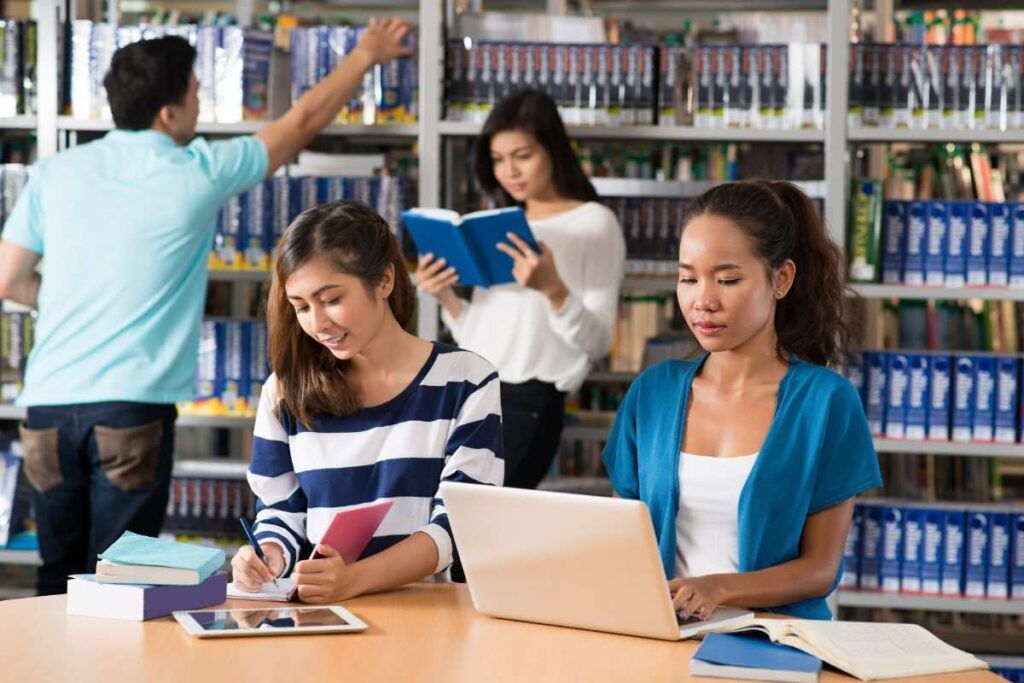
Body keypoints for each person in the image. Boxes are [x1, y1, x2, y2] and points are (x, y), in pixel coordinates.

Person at [0, 19, 411, 595]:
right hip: (129, 406)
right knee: (119, 580)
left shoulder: (52, 173)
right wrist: (366, 53)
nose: (198, 107)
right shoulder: (196, 171)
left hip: (44, 406)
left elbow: (7, 280)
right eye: (195, 94)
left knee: (55, 574)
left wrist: (74, 301)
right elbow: (303, 123)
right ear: (169, 114)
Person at [601, 180, 882, 621]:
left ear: (781, 279)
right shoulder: (652, 393)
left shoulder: (826, 403)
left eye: (727, 279)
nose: (703, 301)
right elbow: (621, 542)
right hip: (660, 635)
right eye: (688, 278)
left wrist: (719, 589)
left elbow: (820, 570)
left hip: (774, 640)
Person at [230, 201, 503, 602]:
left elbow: (461, 524)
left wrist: (354, 579)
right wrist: (267, 555)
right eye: (301, 307)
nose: (317, 324)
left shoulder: (466, 380)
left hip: (426, 613)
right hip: (321, 615)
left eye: (331, 299)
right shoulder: (284, 391)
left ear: (384, 282)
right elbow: (281, 511)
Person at [417, 90, 625, 490]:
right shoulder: (498, 224)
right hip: (470, 391)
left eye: (522, 155)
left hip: (530, 403)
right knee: (446, 526)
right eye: (498, 159)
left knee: (475, 526)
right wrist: (445, 297)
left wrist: (554, 290)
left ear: (553, 150)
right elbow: (478, 336)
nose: (509, 171)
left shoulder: (593, 224)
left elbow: (599, 341)